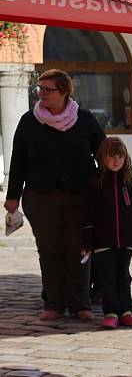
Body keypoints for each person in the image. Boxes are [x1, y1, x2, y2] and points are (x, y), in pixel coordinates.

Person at [4, 69, 106, 321]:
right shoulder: (30, 120)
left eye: (47, 90)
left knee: (78, 250)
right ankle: (54, 303)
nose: (41, 94)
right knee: (49, 250)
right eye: (39, 89)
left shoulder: (85, 119)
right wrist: (13, 196)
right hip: (40, 196)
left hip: (79, 196)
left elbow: (103, 153)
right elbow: (18, 161)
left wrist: (108, 187)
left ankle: (80, 303)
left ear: (64, 92)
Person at [81, 137, 132, 330]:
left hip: (126, 240)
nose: (116, 160)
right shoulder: (96, 183)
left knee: (123, 275)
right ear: (103, 157)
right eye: (112, 156)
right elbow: (88, 214)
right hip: (103, 240)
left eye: (120, 156)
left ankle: (126, 311)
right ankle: (111, 312)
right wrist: (87, 241)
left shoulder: (131, 183)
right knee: (107, 278)